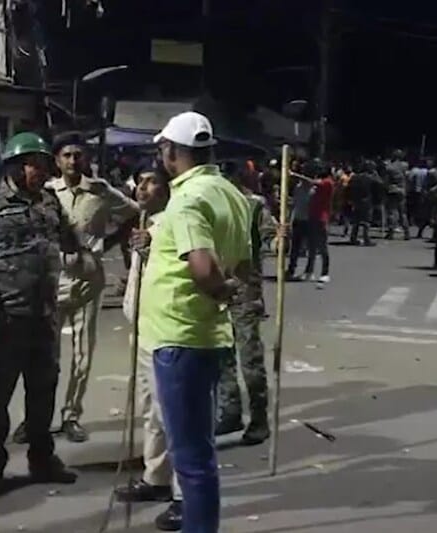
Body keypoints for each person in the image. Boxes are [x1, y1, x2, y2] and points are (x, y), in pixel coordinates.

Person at [0, 132, 88, 503]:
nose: (42, 172)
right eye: (34, 165)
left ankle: (42, 459)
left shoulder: (49, 201)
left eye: (45, 165)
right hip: (4, 320)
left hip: (44, 317)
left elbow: (70, 240)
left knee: (43, 392)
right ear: (15, 167)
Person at [140, 112, 252, 533]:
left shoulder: (188, 199)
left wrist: (220, 290)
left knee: (190, 459)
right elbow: (243, 265)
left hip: (180, 336)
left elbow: (203, 269)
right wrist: (229, 291)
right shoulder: (231, 194)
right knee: (199, 451)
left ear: (171, 150)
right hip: (206, 334)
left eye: (162, 148)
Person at [13, 131, 138, 444]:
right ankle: (35, 418)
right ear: (57, 161)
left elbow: (134, 214)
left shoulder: (101, 191)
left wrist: (108, 243)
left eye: (78, 155)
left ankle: (71, 416)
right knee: (45, 357)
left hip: (87, 282)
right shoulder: (46, 192)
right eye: (66, 155)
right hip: (51, 282)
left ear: (87, 159)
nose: (72, 160)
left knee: (82, 357)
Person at [113, 166, 183, 530]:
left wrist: (154, 247)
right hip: (141, 326)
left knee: (171, 412)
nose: (142, 187)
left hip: (165, 328)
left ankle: (183, 493)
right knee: (149, 409)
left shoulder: (174, 223)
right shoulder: (145, 223)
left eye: (151, 181)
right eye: (138, 181)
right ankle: (156, 477)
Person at [216, 168, 276, 443]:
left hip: (244, 291)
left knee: (249, 358)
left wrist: (279, 240)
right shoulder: (211, 204)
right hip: (215, 288)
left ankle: (259, 418)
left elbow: (270, 238)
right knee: (222, 353)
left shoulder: (254, 206)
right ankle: (230, 411)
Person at [304, 161, 335, 283]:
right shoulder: (319, 183)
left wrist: (294, 174)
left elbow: (314, 182)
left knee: (322, 247)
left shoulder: (328, 182)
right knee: (311, 246)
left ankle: (325, 273)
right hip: (312, 216)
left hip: (322, 218)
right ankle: (309, 271)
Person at [285, 171, 313, 279]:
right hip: (298, 219)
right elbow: (294, 204)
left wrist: (293, 174)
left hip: (309, 220)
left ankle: (309, 271)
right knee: (295, 247)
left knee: (310, 247)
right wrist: (289, 220)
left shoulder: (313, 190)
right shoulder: (298, 188)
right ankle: (291, 269)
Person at [347, 159, 377, 246]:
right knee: (366, 221)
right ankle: (366, 239)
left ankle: (353, 237)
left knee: (356, 220)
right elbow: (379, 185)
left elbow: (349, 188)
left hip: (356, 200)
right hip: (367, 200)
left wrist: (350, 198)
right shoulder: (370, 178)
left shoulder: (354, 177)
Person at [383, 149, 410, 240]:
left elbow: (386, 180)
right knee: (402, 212)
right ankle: (407, 232)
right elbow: (406, 177)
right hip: (401, 189)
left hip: (392, 189)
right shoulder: (405, 165)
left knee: (392, 212)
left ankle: (391, 233)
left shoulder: (389, 167)